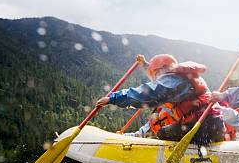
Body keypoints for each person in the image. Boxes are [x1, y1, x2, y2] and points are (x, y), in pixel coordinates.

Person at [96, 54, 225, 144]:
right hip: (212, 127)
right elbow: (160, 78)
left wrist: (114, 98)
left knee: (163, 132)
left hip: (203, 128)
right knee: (160, 122)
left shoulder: (174, 82)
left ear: (161, 71)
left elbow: (149, 93)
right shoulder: (179, 81)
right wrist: (145, 65)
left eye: (154, 74)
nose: (155, 79)